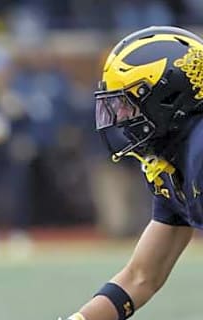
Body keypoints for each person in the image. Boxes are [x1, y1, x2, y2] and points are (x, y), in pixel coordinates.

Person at [62, 26, 203, 320]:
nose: (122, 118)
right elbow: (140, 278)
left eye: (128, 104)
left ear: (169, 96)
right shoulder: (175, 157)